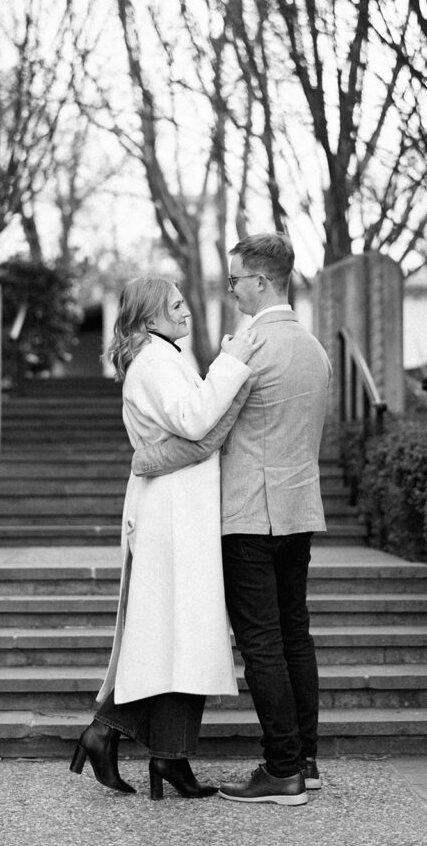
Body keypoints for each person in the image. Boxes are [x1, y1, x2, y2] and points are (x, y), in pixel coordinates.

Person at [132, 233, 332, 806]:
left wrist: (147, 459)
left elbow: (205, 436)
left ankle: (282, 770)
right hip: (299, 511)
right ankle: (306, 761)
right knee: (295, 635)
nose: (231, 287)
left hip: (249, 514)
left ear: (262, 282)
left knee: (262, 642)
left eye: (238, 278)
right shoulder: (312, 348)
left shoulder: (250, 349)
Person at [69, 276, 262, 800]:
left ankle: (145, 748)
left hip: (183, 509)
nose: (186, 312)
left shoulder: (164, 355)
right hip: (173, 515)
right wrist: (232, 362)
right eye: (175, 306)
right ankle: (134, 743)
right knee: (180, 634)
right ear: (150, 317)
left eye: (183, 304)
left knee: (182, 637)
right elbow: (197, 419)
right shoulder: (155, 362)